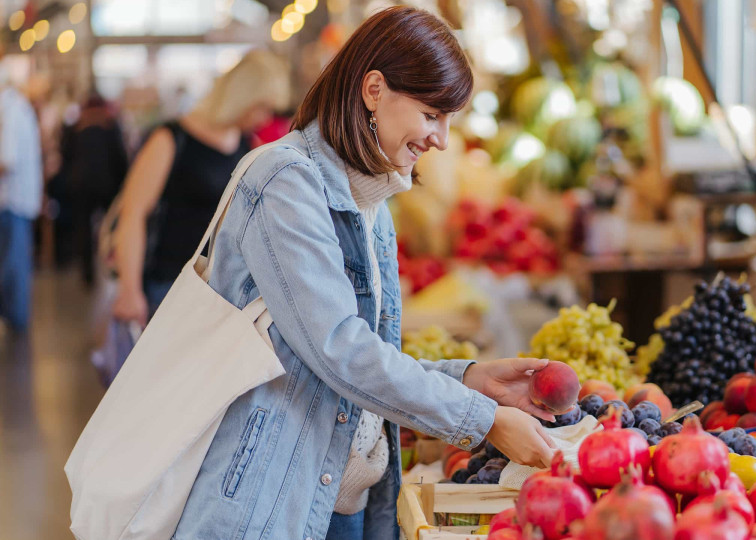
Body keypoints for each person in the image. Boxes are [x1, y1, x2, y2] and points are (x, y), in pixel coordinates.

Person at [172, 7, 557, 540]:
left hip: (343, 501)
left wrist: (470, 379)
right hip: (272, 502)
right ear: (374, 89)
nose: (442, 139)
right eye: (431, 115)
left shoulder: (371, 198)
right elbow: (340, 348)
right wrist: (481, 419)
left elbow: (362, 356)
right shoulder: (285, 182)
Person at [111, 50, 290, 326]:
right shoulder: (171, 138)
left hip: (219, 292)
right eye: (261, 107)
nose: (265, 118)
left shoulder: (243, 143)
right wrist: (130, 289)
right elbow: (133, 213)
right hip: (169, 285)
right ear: (243, 97)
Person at [62, 94, 129, 286]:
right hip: (107, 184)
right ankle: (113, 264)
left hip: (81, 184)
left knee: (83, 227)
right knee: (112, 227)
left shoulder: (75, 127)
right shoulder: (110, 126)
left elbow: (65, 156)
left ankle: (87, 273)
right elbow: (120, 157)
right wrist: (123, 184)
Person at [0, 65, 43, 333]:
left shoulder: (10, 111)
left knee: (14, 264)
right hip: (18, 200)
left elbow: (6, 161)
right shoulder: (16, 106)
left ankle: (16, 319)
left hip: (13, 201)